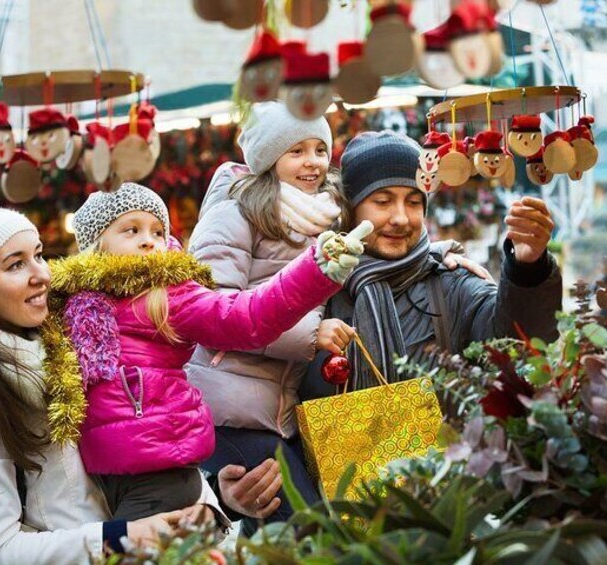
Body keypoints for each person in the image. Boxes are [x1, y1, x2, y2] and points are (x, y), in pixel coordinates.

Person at [185, 102, 487, 529]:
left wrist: (436, 252)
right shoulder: (237, 213)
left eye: (319, 150)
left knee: (311, 529)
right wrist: (310, 332)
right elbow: (211, 312)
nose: (311, 162)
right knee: (307, 531)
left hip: (278, 412)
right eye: (295, 151)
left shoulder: (324, 214)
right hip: (231, 403)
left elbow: (376, 237)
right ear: (269, 158)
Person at [0, 208, 228, 563]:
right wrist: (119, 538)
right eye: (15, 265)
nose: (42, 274)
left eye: (37, 255)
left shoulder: (76, 338)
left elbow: (143, 452)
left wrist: (211, 506)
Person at [43, 183, 367, 522]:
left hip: (161, 473)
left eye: (157, 232)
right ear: (96, 245)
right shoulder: (73, 305)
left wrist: (313, 271)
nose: (147, 240)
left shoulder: (167, 295)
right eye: (131, 230)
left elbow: (247, 315)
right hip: (104, 474)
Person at [306, 130, 562, 394]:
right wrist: (308, 339)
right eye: (382, 201)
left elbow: (516, 343)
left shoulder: (451, 282)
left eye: (414, 202)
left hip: (442, 436)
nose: (401, 218)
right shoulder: (314, 287)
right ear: (350, 210)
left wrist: (527, 268)